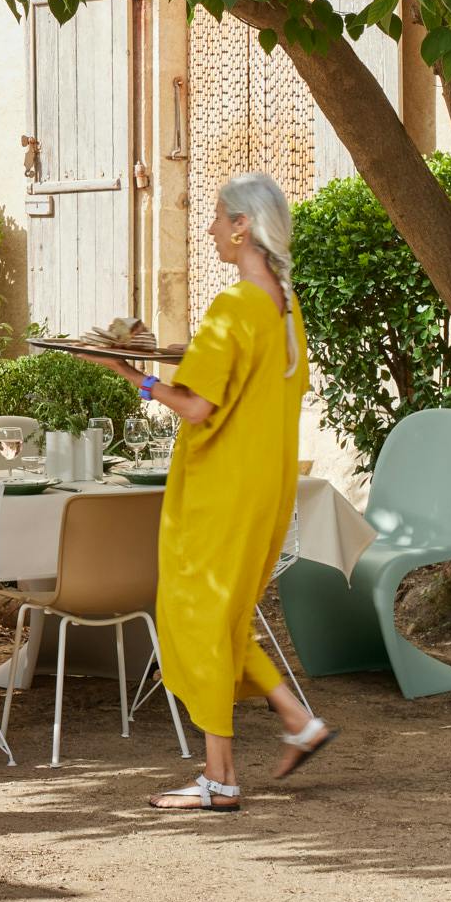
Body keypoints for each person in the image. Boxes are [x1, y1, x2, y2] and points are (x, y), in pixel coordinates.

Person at [75, 171, 332, 811]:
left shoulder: (234, 304)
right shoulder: (282, 304)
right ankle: (296, 720)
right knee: (225, 616)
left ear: (243, 226)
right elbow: (224, 370)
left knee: (197, 619)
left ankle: (220, 779)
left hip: (220, 490)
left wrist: (126, 373)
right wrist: (159, 357)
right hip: (264, 487)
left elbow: (196, 408)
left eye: (218, 218)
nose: (212, 228)